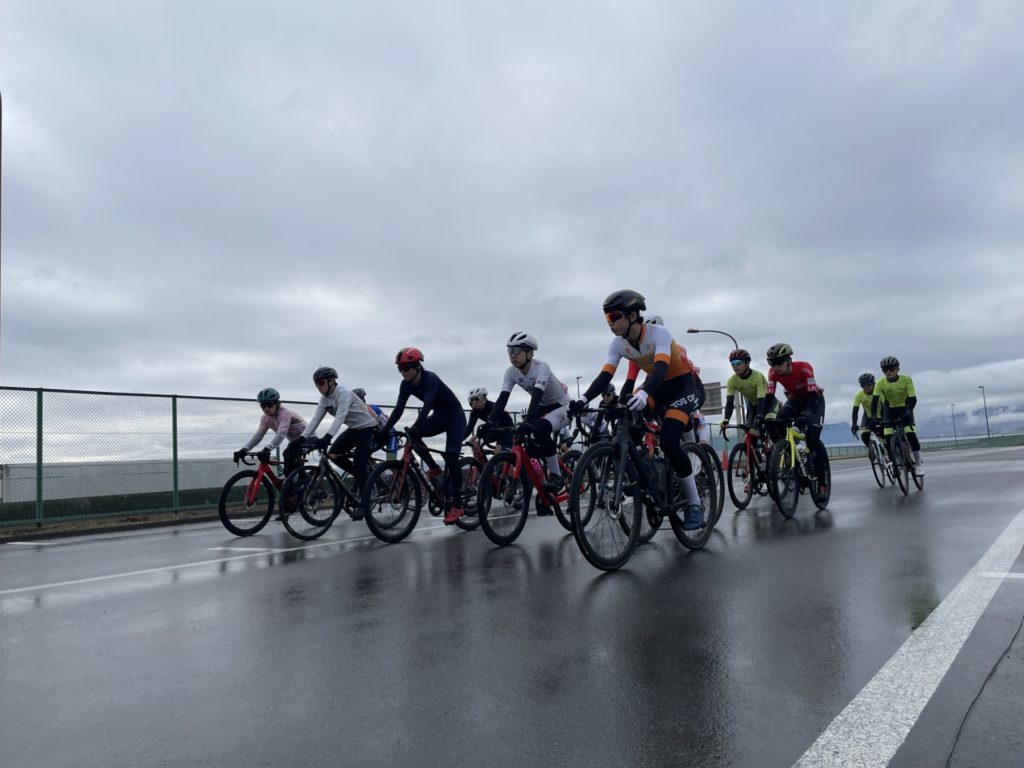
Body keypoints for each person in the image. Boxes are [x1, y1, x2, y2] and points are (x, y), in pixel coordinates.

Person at [568, 290, 705, 530]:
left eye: (614, 317)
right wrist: (582, 399)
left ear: (632, 315)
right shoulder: (618, 344)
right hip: (657, 387)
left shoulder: (659, 334)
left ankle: (694, 504)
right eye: (607, 319)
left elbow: (660, 370)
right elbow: (605, 376)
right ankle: (644, 475)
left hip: (682, 386)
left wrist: (643, 393)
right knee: (628, 422)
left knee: (669, 441)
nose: (610, 323)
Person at [378, 348, 468, 525]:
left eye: (406, 368)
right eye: (399, 369)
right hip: (439, 416)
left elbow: (427, 406)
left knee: (451, 457)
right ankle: (434, 469)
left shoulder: (430, 378)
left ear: (417, 366)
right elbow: (398, 410)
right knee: (414, 436)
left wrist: (416, 426)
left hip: (455, 416)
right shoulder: (405, 385)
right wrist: (383, 431)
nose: (403, 372)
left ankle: (457, 505)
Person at [486, 332, 572, 497]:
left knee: (539, 430)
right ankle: (544, 475)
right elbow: (502, 399)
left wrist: (530, 421)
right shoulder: (511, 372)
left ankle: (556, 475)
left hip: (561, 406)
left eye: (517, 350)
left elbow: (537, 396)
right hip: (543, 407)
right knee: (527, 443)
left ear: (530, 353)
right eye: (509, 351)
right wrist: (489, 423)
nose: (512, 355)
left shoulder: (541, 367)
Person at [292, 366, 379, 519]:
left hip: (368, 426)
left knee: (359, 461)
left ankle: (364, 503)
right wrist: (301, 439)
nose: (318, 387)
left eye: (321, 383)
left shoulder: (343, 393)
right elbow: (315, 420)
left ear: (331, 381)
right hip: (354, 428)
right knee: (333, 454)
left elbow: (340, 416)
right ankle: (362, 475)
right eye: (316, 384)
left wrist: (328, 437)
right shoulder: (324, 399)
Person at [757, 343, 829, 495]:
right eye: (771, 363)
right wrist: (761, 415)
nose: (775, 366)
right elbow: (769, 397)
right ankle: (793, 455)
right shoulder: (773, 373)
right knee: (779, 422)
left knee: (812, 439)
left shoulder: (804, 368)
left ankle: (822, 483)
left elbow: (812, 394)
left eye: (778, 362)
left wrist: (808, 412)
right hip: (795, 400)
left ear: (789, 360)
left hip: (814, 401)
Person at [869, 356, 925, 476]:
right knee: (888, 436)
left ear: (897, 369)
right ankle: (897, 460)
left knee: (910, 434)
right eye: (885, 370)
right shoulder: (880, 383)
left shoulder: (906, 379)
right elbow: (875, 401)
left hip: (905, 407)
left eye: (891, 369)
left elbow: (913, 398)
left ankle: (918, 465)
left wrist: (908, 411)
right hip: (889, 410)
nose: (888, 372)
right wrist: (873, 417)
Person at [232, 388, 307, 477]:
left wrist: (267, 449)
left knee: (290, 458)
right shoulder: (266, 418)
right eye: (263, 405)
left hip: (308, 438)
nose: (266, 408)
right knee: (288, 459)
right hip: (294, 442)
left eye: (269, 404)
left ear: (276, 404)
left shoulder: (284, 413)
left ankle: (305, 482)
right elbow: (258, 436)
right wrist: (244, 450)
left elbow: (281, 434)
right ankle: (295, 481)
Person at [719, 349, 778, 441]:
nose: (735, 366)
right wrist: (726, 419)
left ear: (748, 363)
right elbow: (730, 402)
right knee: (749, 434)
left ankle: (777, 445)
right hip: (753, 406)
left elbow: (761, 400)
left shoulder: (757, 376)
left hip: (768, 403)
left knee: (769, 423)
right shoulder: (732, 381)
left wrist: (760, 417)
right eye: (732, 364)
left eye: (738, 363)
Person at [353, 388, 399, 460]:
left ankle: (393, 465)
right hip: (378, 436)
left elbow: (386, 425)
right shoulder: (357, 413)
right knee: (363, 454)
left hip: (391, 435)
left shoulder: (373, 409)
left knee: (391, 460)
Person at [463, 387, 514, 452]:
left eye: (476, 399)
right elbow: (469, 428)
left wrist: (478, 435)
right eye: (471, 400)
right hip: (493, 428)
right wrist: (458, 440)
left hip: (507, 429)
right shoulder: (475, 411)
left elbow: (495, 425)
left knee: (498, 451)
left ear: (484, 398)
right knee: (472, 442)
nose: (473, 402)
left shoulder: (493, 407)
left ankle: (498, 457)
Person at [850, 373, 886, 450]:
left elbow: (886, 406)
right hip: (868, 418)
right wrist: (854, 424)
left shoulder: (880, 393)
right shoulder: (859, 395)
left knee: (884, 435)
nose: (866, 387)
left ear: (874, 384)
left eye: (869, 384)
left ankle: (889, 451)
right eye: (863, 385)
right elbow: (855, 411)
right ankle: (876, 451)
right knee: (864, 435)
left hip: (881, 417)